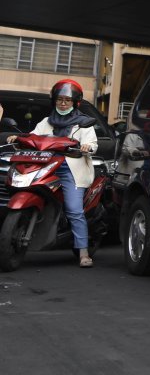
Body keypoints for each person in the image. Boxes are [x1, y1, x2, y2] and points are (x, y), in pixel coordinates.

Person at [5, 80, 98, 268]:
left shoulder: (84, 124)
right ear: (54, 101)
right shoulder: (47, 122)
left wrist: (87, 146)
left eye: (67, 100)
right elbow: (33, 136)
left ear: (75, 103)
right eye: (59, 100)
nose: (63, 103)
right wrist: (20, 138)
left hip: (70, 169)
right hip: (46, 165)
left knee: (74, 209)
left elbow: (92, 145)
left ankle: (83, 253)